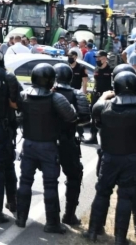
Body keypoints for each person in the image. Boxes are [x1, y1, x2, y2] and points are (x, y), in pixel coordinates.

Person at [85, 72, 136, 243]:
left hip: (109, 157)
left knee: (102, 193)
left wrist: (105, 95)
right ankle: (120, 238)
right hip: (131, 159)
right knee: (125, 197)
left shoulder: (103, 107)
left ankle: (92, 231)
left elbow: (96, 110)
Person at [14, 63, 76, 233]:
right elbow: (72, 117)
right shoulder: (56, 98)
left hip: (28, 144)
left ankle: (20, 218)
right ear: (51, 80)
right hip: (48, 146)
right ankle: (52, 223)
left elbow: (17, 113)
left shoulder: (23, 95)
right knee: (50, 184)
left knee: (25, 181)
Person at [53, 63, 91, 225]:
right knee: (74, 176)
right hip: (67, 140)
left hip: (46, 140)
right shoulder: (75, 94)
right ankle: (69, 215)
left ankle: (54, 217)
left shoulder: (45, 92)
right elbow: (85, 118)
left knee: (48, 179)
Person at [85, 50, 113, 144]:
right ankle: (93, 137)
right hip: (96, 95)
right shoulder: (97, 68)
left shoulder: (111, 69)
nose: (97, 59)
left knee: (106, 117)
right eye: (96, 58)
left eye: (98, 58)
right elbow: (94, 82)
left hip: (107, 97)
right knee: (94, 116)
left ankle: (107, 139)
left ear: (104, 59)